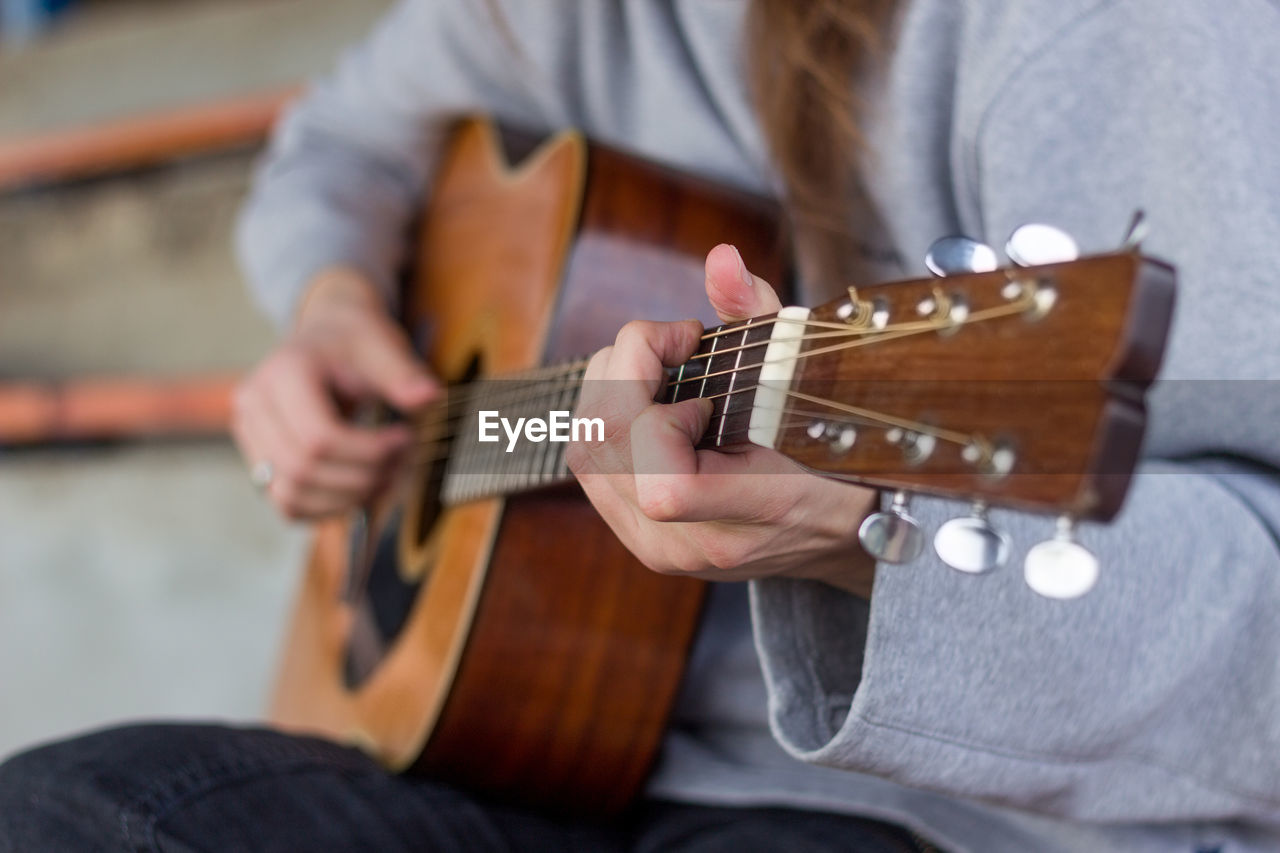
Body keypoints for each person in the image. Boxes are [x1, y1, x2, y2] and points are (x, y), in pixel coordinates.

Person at [3, 1, 1278, 851]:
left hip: (946, 818)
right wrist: (329, 302)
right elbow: (337, 140)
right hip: (543, 741)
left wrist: (867, 531)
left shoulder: (1106, 38)